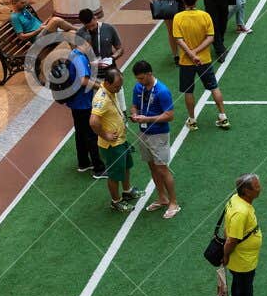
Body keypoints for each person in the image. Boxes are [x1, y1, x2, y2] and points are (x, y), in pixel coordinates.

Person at [172, 0, 231, 130]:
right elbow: (210, 38)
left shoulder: (178, 18)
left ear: (183, 0)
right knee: (214, 87)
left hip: (186, 62)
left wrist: (191, 54)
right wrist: (197, 52)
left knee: (188, 91)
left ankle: (192, 120)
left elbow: (179, 40)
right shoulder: (205, 16)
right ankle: (223, 116)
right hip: (204, 59)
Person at [217, 173, 265, 296]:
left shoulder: (236, 199)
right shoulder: (241, 212)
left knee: (243, 293)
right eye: (257, 187)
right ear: (247, 190)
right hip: (242, 262)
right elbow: (231, 240)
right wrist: (225, 255)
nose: (260, 188)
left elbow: (227, 230)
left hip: (244, 260)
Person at [128, 60, 179, 218]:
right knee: (152, 167)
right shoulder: (138, 87)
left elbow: (169, 115)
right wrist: (135, 114)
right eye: (138, 79)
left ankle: (174, 203)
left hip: (158, 135)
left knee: (163, 169)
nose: (139, 81)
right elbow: (134, 105)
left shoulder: (162, 91)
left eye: (142, 78)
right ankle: (162, 198)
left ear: (150, 74)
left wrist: (147, 119)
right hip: (143, 133)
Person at [91, 65, 136, 212]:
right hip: (111, 145)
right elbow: (93, 121)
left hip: (121, 139)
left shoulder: (111, 90)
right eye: (117, 86)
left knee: (126, 166)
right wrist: (105, 135)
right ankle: (116, 201)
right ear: (108, 83)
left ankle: (127, 191)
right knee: (115, 174)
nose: (119, 89)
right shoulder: (101, 99)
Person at [61, 26, 103, 175]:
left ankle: (84, 162)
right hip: (83, 103)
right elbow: (84, 81)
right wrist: (100, 86)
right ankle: (99, 168)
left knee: (80, 133)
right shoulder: (79, 57)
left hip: (75, 103)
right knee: (91, 134)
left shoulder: (74, 54)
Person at [6, 0, 72, 45]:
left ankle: (74, 57)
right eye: (22, 3)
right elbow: (22, 37)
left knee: (72, 33)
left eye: (24, 2)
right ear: (14, 3)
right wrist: (38, 31)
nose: (25, 4)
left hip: (43, 31)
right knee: (55, 20)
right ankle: (78, 29)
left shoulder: (23, 9)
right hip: (38, 39)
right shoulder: (15, 17)